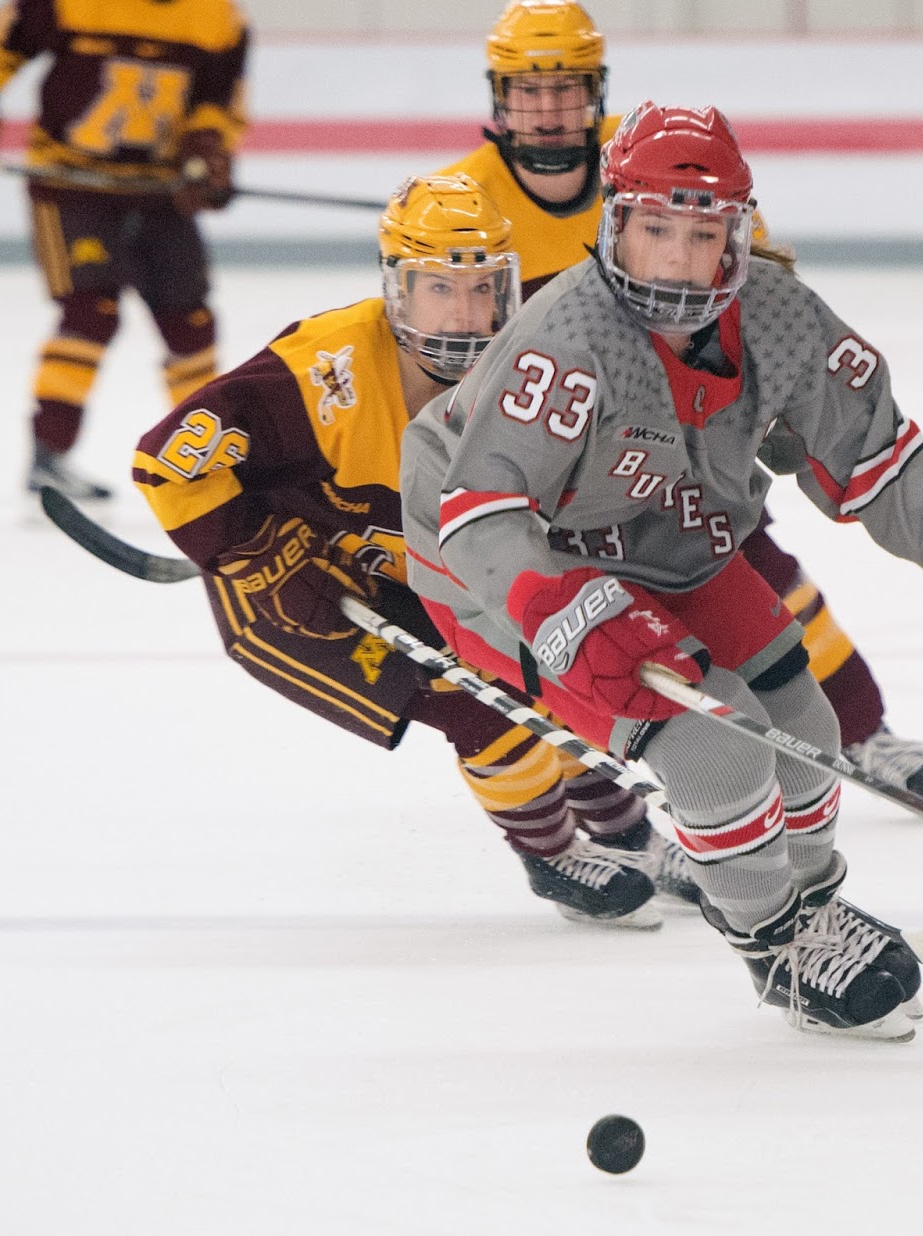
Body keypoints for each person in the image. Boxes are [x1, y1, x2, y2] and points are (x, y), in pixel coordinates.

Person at [399, 105, 923, 1040]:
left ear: (736, 238)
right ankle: (773, 948)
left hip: (669, 533)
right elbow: (483, 508)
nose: (675, 260)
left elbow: (871, 452)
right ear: (614, 223)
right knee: (715, 748)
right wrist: (559, 608)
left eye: (701, 235)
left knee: (807, 727)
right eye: (654, 229)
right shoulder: (568, 334)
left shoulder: (778, 314)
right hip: (508, 560)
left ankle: (808, 909)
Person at [130, 174, 695, 930]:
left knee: (551, 674)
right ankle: (551, 854)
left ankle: (631, 838)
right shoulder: (323, 370)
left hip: (423, 568)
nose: (465, 315)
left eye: (483, 288)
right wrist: (253, 549)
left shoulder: (530, 362)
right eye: (439, 288)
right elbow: (165, 459)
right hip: (301, 587)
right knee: (482, 706)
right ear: (397, 290)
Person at [432, 0, 923, 802]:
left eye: (566, 88)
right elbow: (451, 332)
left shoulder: (654, 163)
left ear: (596, 90)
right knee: (547, 617)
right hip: (564, 457)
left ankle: (859, 729)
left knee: (771, 587)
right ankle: (655, 781)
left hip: (685, 432)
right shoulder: (468, 196)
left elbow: (747, 276)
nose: (548, 110)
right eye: (528, 90)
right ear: (500, 96)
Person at [0, 0, 249, 500]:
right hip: (69, 183)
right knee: (90, 311)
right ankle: (49, 456)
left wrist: (207, 149)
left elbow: (219, 98)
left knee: (190, 321)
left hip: (158, 187)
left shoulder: (218, 17)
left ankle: (206, 456)